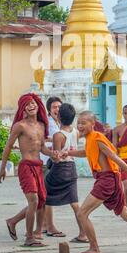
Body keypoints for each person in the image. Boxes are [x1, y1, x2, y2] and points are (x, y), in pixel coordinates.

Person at [61, 111, 127, 253]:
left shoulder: (97, 137)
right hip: (110, 179)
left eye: (84, 123)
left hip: (106, 180)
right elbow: (86, 153)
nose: (80, 126)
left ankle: (94, 248)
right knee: (125, 213)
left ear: (93, 124)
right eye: (78, 123)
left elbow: (114, 157)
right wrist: (68, 153)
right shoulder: (90, 139)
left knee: (82, 214)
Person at [0, 93, 59, 247]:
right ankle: (29, 237)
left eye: (33, 103)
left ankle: (14, 222)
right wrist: (3, 168)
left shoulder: (42, 125)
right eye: (27, 104)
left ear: (38, 106)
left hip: (38, 166)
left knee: (40, 202)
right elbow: (8, 146)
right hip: (26, 166)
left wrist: (52, 154)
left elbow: (43, 148)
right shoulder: (20, 126)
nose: (31, 106)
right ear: (23, 108)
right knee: (33, 201)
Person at [45, 103, 88, 243]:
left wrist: (49, 153)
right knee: (75, 203)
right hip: (72, 168)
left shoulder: (58, 135)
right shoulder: (76, 132)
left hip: (60, 170)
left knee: (42, 195)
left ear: (59, 117)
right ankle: (83, 233)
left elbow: (56, 158)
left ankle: (39, 229)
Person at [37, 96, 65, 238]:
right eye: (54, 107)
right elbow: (41, 139)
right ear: (49, 109)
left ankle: (43, 225)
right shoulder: (46, 122)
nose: (57, 109)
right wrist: (55, 140)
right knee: (46, 195)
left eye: (59, 107)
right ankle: (49, 226)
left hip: (54, 161)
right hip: (44, 161)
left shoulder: (61, 123)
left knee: (44, 195)